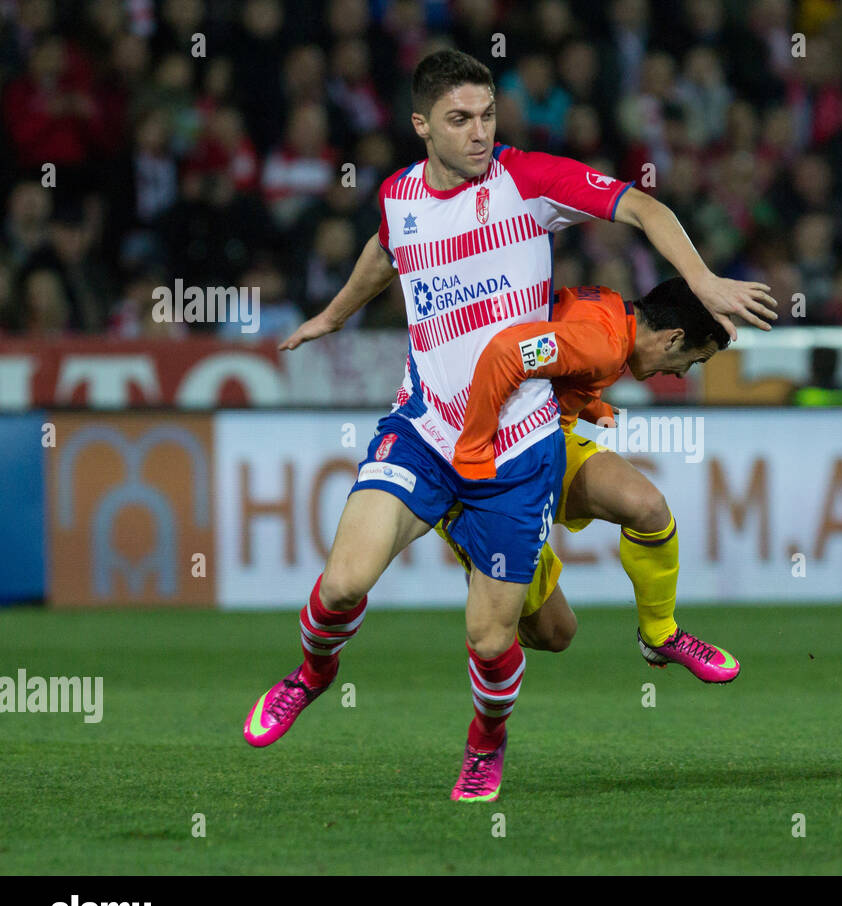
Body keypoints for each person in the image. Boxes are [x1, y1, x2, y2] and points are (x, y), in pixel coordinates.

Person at [242, 50, 776, 806]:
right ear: (422, 124)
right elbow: (387, 249)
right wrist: (334, 314)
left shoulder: (528, 182)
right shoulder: (398, 194)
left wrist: (704, 281)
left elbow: (644, 207)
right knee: (340, 585)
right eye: (460, 119)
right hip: (425, 429)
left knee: (495, 639)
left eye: (488, 115)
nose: (480, 133)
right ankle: (310, 675)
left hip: (517, 450)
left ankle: (486, 742)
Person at [438, 278, 740, 697]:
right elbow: (511, 352)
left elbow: (555, 348)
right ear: (674, 338)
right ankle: (464, 525)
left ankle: (660, 634)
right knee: (554, 634)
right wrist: (472, 453)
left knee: (647, 507)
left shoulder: (611, 310)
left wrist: (589, 403)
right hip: (492, 466)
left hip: (543, 443)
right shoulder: (603, 343)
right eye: (693, 361)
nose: (680, 373)